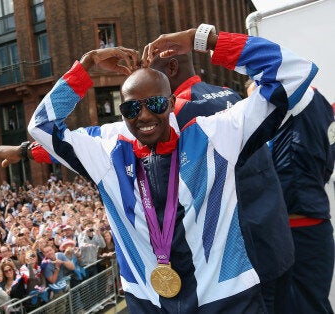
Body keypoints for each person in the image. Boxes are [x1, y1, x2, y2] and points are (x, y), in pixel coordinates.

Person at [23, 24, 316, 312]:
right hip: (148, 301)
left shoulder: (215, 135)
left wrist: (202, 38)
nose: (145, 116)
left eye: (156, 103)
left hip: (227, 299)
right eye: (132, 108)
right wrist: (86, 67)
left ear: (172, 102)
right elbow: (41, 126)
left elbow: (294, 73)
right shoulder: (105, 150)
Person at [246, 79, 335, 313]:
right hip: (302, 227)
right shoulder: (320, 108)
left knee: (305, 306)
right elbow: (327, 164)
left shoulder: (299, 105)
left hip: (299, 231)